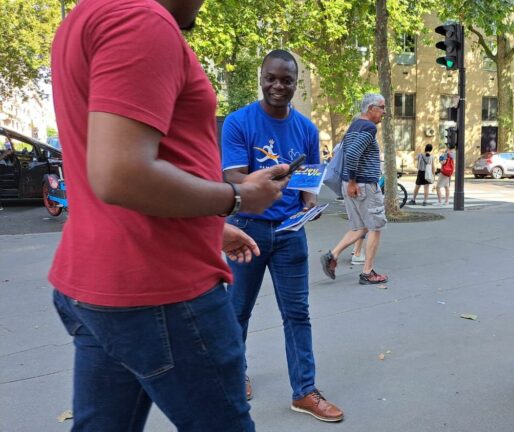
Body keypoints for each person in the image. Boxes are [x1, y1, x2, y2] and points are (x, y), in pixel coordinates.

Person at [49, 1, 291, 430]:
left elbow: (118, 162)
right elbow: (121, 174)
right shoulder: (141, 20)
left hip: (99, 282)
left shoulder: (88, 15)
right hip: (161, 290)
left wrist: (209, 226)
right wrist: (237, 197)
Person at [221, 49, 343, 422]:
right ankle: (233, 374)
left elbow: (309, 182)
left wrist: (308, 203)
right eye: (271, 78)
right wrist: (267, 182)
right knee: (237, 310)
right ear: (262, 78)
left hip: (291, 233)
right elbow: (233, 178)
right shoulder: (239, 122)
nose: (278, 85)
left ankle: (304, 391)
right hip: (247, 231)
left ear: (295, 84)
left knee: (297, 314)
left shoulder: (306, 129)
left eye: (286, 80)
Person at [321, 93, 388, 285]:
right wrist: (352, 181)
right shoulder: (368, 127)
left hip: (352, 184)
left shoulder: (354, 125)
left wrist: (349, 182)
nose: (384, 112)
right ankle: (367, 272)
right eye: (381, 108)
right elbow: (351, 154)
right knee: (376, 227)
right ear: (370, 109)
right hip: (363, 185)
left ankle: (332, 255)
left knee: (360, 227)